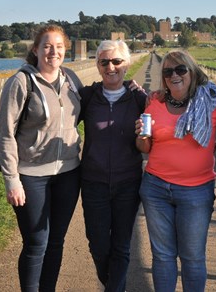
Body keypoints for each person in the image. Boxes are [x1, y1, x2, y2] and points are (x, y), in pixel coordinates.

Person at [0, 24, 82, 292]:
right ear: (35, 50)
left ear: (65, 51)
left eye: (58, 47)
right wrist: (12, 180)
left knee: (56, 241)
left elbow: (94, 106)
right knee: (36, 242)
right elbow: (5, 134)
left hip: (68, 173)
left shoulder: (72, 81)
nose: (52, 52)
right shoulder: (21, 82)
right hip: (31, 176)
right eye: (46, 46)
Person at [135, 50, 216, 292]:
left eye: (180, 70)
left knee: (193, 257)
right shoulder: (155, 102)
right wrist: (142, 135)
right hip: (156, 188)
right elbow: (144, 147)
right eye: (167, 71)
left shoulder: (212, 102)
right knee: (163, 255)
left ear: (191, 71)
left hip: (196, 192)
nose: (174, 75)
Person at [79, 40, 147, 292]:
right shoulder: (88, 96)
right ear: (97, 65)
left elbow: (167, 117)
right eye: (104, 62)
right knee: (97, 245)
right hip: (93, 183)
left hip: (128, 183)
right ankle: (113, 283)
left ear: (127, 64)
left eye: (117, 61)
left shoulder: (139, 99)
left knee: (121, 246)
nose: (111, 67)